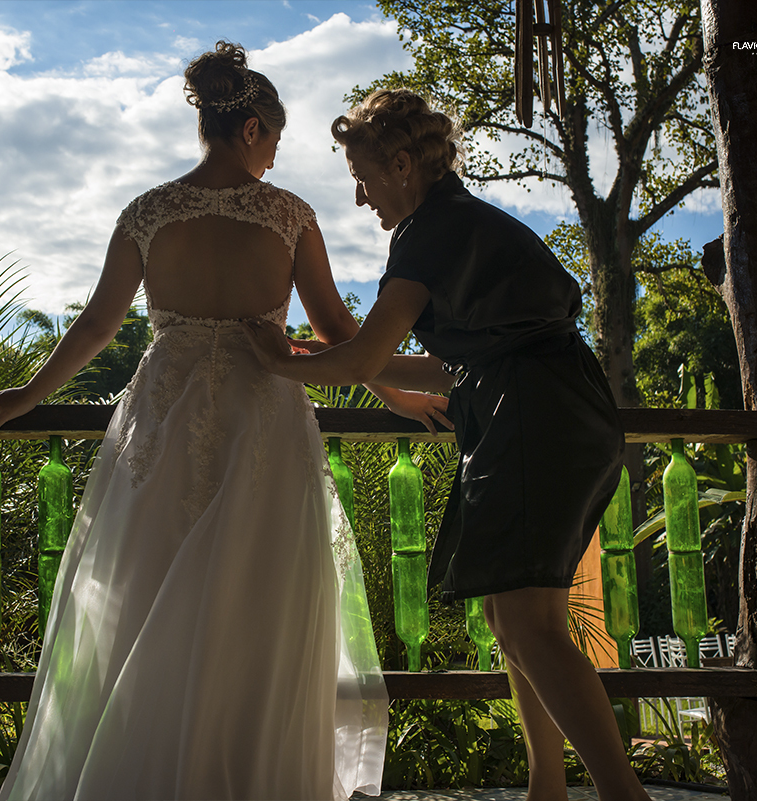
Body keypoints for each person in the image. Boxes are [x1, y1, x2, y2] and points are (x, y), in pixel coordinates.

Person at [0, 44, 440, 801]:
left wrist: (28, 390)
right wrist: (399, 399)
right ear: (251, 128)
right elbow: (346, 338)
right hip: (263, 418)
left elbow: (93, 326)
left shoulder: (148, 213)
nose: (275, 160)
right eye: (276, 143)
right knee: (260, 608)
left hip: (162, 420)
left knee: (142, 597)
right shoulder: (289, 216)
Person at [243, 89, 651, 801]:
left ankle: (624, 794)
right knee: (514, 616)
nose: (363, 197)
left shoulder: (430, 233)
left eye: (365, 179)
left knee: (526, 623)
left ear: (402, 163)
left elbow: (365, 359)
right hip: (544, 405)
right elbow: (444, 362)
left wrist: (281, 361)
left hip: (536, 417)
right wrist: (315, 354)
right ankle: (545, 787)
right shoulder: (456, 222)